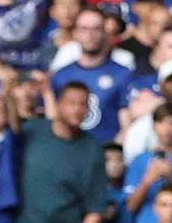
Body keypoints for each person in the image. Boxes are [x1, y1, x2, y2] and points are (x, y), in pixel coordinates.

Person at [16, 81, 107, 223]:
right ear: (59, 104)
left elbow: (95, 209)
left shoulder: (92, 150)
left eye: (83, 104)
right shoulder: (33, 131)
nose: (78, 109)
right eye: (72, 103)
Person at [51, 9, 133, 142]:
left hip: (106, 150)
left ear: (105, 33)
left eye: (96, 29)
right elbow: (53, 118)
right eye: (84, 29)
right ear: (75, 33)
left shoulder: (123, 74)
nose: (90, 35)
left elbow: (127, 125)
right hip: (68, 149)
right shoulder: (60, 76)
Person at [124, 103, 172, 223]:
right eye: (162, 123)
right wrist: (148, 179)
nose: (167, 128)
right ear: (154, 126)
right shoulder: (139, 160)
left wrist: (171, 179)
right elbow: (130, 207)